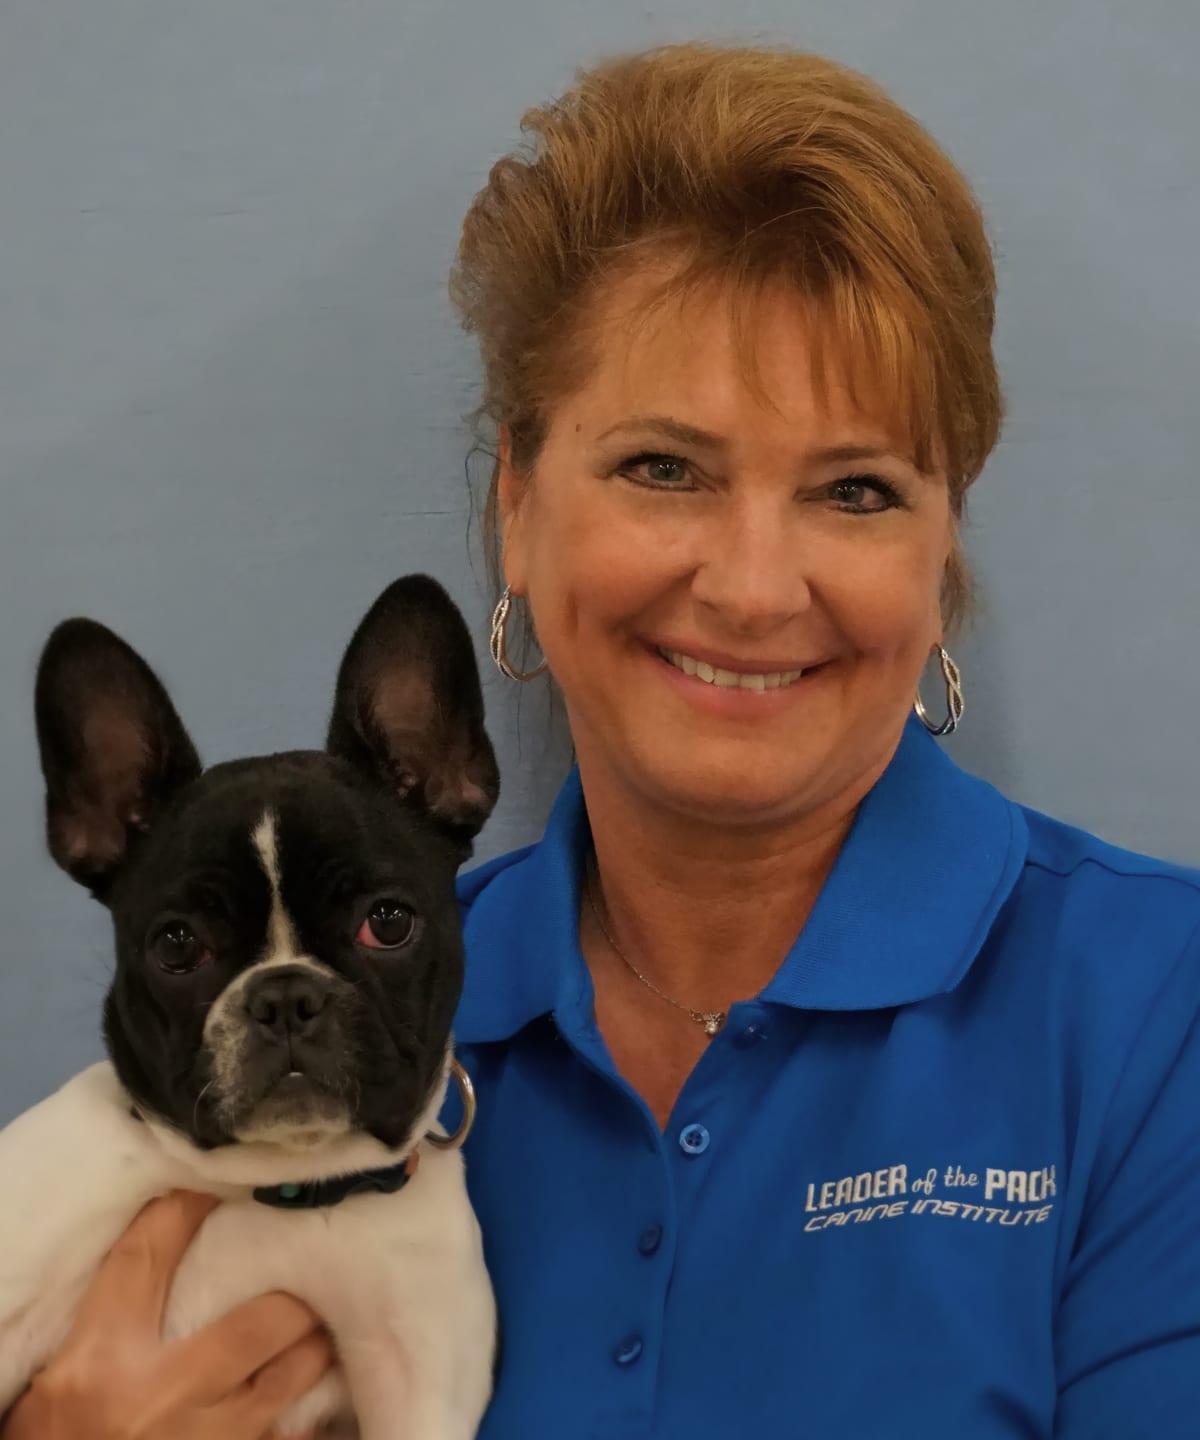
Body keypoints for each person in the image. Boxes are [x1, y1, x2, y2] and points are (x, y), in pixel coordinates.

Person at [6, 41, 1199, 1440]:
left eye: (857, 489)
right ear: (518, 501)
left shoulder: (1153, 1012)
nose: (755, 585)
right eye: (663, 468)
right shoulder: (400, 998)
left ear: (943, 550)